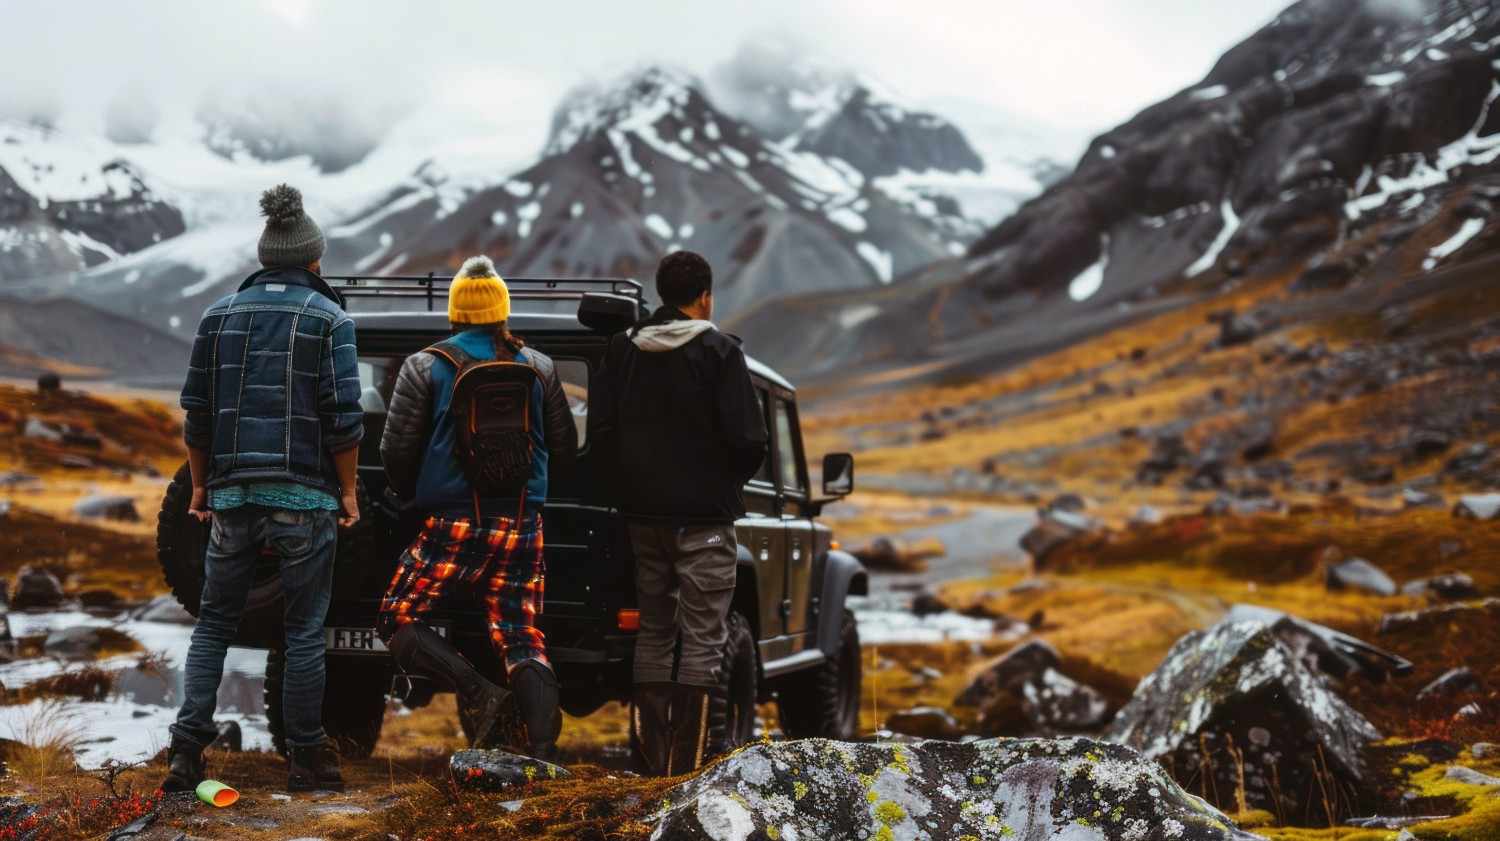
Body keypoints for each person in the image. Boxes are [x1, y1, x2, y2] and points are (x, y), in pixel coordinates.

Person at [165, 184, 363, 793]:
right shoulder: (330, 318)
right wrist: (350, 493)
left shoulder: (218, 316)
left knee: (215, 625)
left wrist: (199, 490)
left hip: (230, 499)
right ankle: (307, 759)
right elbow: (344, 418)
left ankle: (185, 753)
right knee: (303, 630)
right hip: (304, 501)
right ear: (313, 260)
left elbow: (196, 411)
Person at [376, 255, 576, 759]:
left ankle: (477, 693)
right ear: (502, 312)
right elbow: (566, 446)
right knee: (521, 633)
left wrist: (410, 497)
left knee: (398, 617)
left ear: (456, 313)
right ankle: (544, 753)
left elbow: (395, 450)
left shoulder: (426, 365)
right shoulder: (540, 366)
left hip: (453, 520)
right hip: (523, 521)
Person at [590, 250, 768, 776]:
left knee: (654, 633)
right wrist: (719, 484)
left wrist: (629, 488)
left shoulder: (621, 351)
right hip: (706, 522)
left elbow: (601, 433)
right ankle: (689, 772)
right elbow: (749, 440)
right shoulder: (719, 351)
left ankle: (651, 765)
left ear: (663, 294)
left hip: (643, 520)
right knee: (704, 638)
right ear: (706, 296)